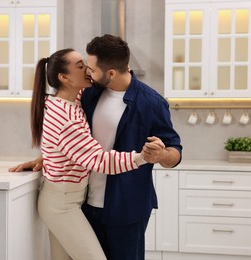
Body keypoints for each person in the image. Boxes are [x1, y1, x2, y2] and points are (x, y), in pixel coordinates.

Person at [10, 35, 182, 260]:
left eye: (89, 67)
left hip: (126, 207)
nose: (88, 72)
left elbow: (175, 152)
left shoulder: (151, 103)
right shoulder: (89, 93)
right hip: (86, 204)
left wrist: (159, 155)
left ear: (110, 72)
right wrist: (48, 156)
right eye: (83, 67)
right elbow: (72, 138)